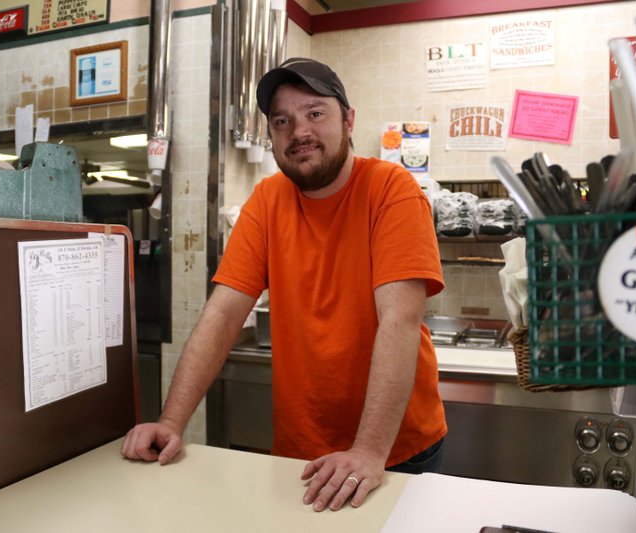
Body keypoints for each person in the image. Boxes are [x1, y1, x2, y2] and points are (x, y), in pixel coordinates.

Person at [122, 57, 447, 512]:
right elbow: (223, 313)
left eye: (315, 113)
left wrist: (370, 451)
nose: (299, 132)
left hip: (394, 454)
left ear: (349, 120)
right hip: (300, 454)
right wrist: (171, 421)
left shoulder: (391, 189)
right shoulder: (268, 201)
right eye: (282, 121)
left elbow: (399, 320)